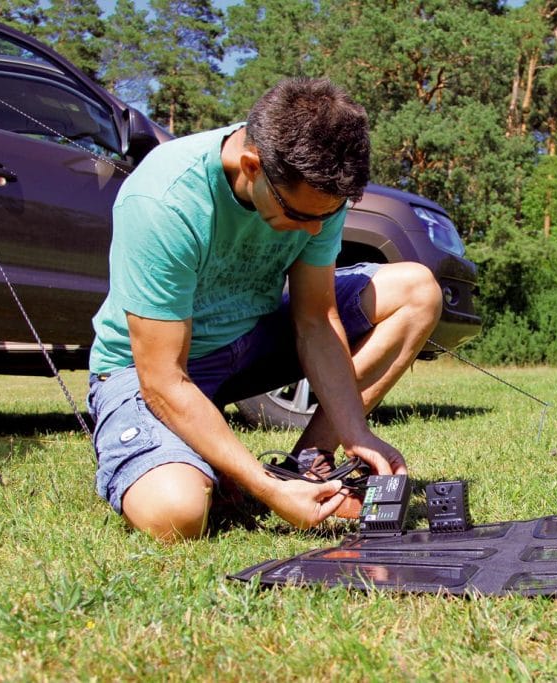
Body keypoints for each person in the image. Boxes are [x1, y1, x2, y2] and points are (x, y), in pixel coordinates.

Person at [87, 78, 442, 542]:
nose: (314, 231)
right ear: (252, 167)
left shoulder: (314, 183)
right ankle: (236, 477)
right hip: (149, 372)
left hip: (249, 341)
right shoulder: (163, 201)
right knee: (175, 513)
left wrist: (356, 431)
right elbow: (164, 381)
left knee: (417, 290)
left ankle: (307, 467)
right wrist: (265, 486)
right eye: (299, 216)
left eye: (327, 215)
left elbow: (316, 320)